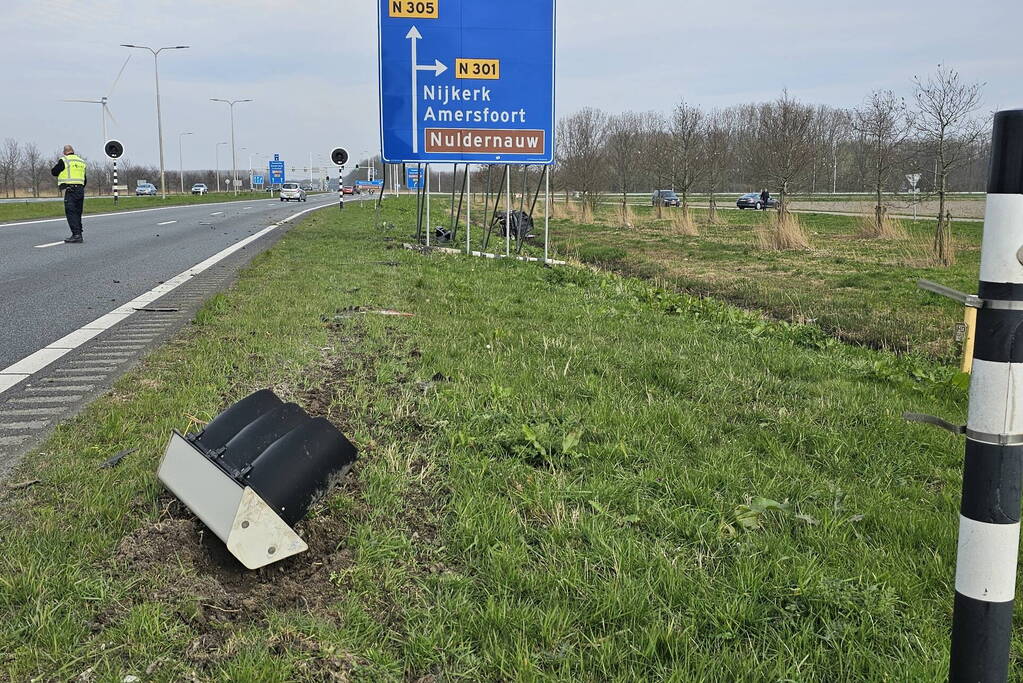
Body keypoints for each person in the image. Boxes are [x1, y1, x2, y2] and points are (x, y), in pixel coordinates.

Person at [50, 145, 87, 243]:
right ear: (73, 151)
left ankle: (76, 235)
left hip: (71, 190)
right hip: (80, 189)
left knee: (71, 212)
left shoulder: (64, 160)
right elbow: (85, 178)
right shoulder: (81, 161)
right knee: (78, 212)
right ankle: (79, 233)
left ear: (65, 152)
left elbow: (54, 172)